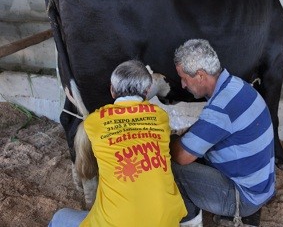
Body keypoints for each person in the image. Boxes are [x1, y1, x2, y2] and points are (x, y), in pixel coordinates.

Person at [49, 60, 187, 227]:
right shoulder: (160, 116)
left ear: (112, 90)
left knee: (59, 217)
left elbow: (86, 167)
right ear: (148, 90)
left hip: (116, 223)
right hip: (166, 220)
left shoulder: (94, 122)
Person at [171, 39, 276, 227]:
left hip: (244, 197)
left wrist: (169, 139)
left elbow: (181, 156)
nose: (183, 85)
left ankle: (192, 223)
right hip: (261, 186)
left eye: (184, 78)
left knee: (170, 167)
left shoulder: (220, 109)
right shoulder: (238, 86)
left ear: (201, 76)